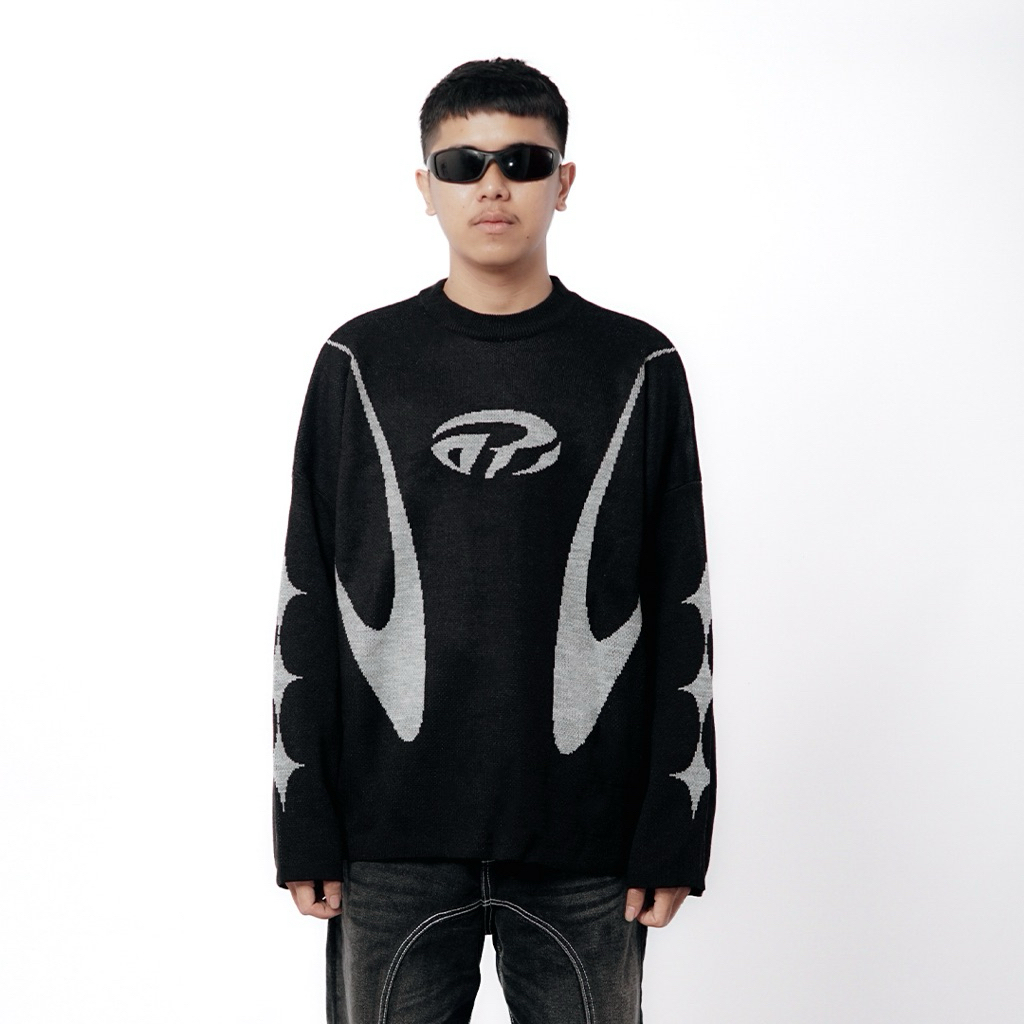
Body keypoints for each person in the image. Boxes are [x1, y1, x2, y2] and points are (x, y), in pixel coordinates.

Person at [272, 56, 717, 1023]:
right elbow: (309, 586)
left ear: (564, 181)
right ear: (424, 184)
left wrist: (675, 824)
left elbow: (682, 596)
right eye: (464, 162)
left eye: (522, 160)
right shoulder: (360, 360)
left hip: (586, 840)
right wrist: (301, 816)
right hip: (390, 835)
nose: (493, 184)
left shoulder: (637, 364)